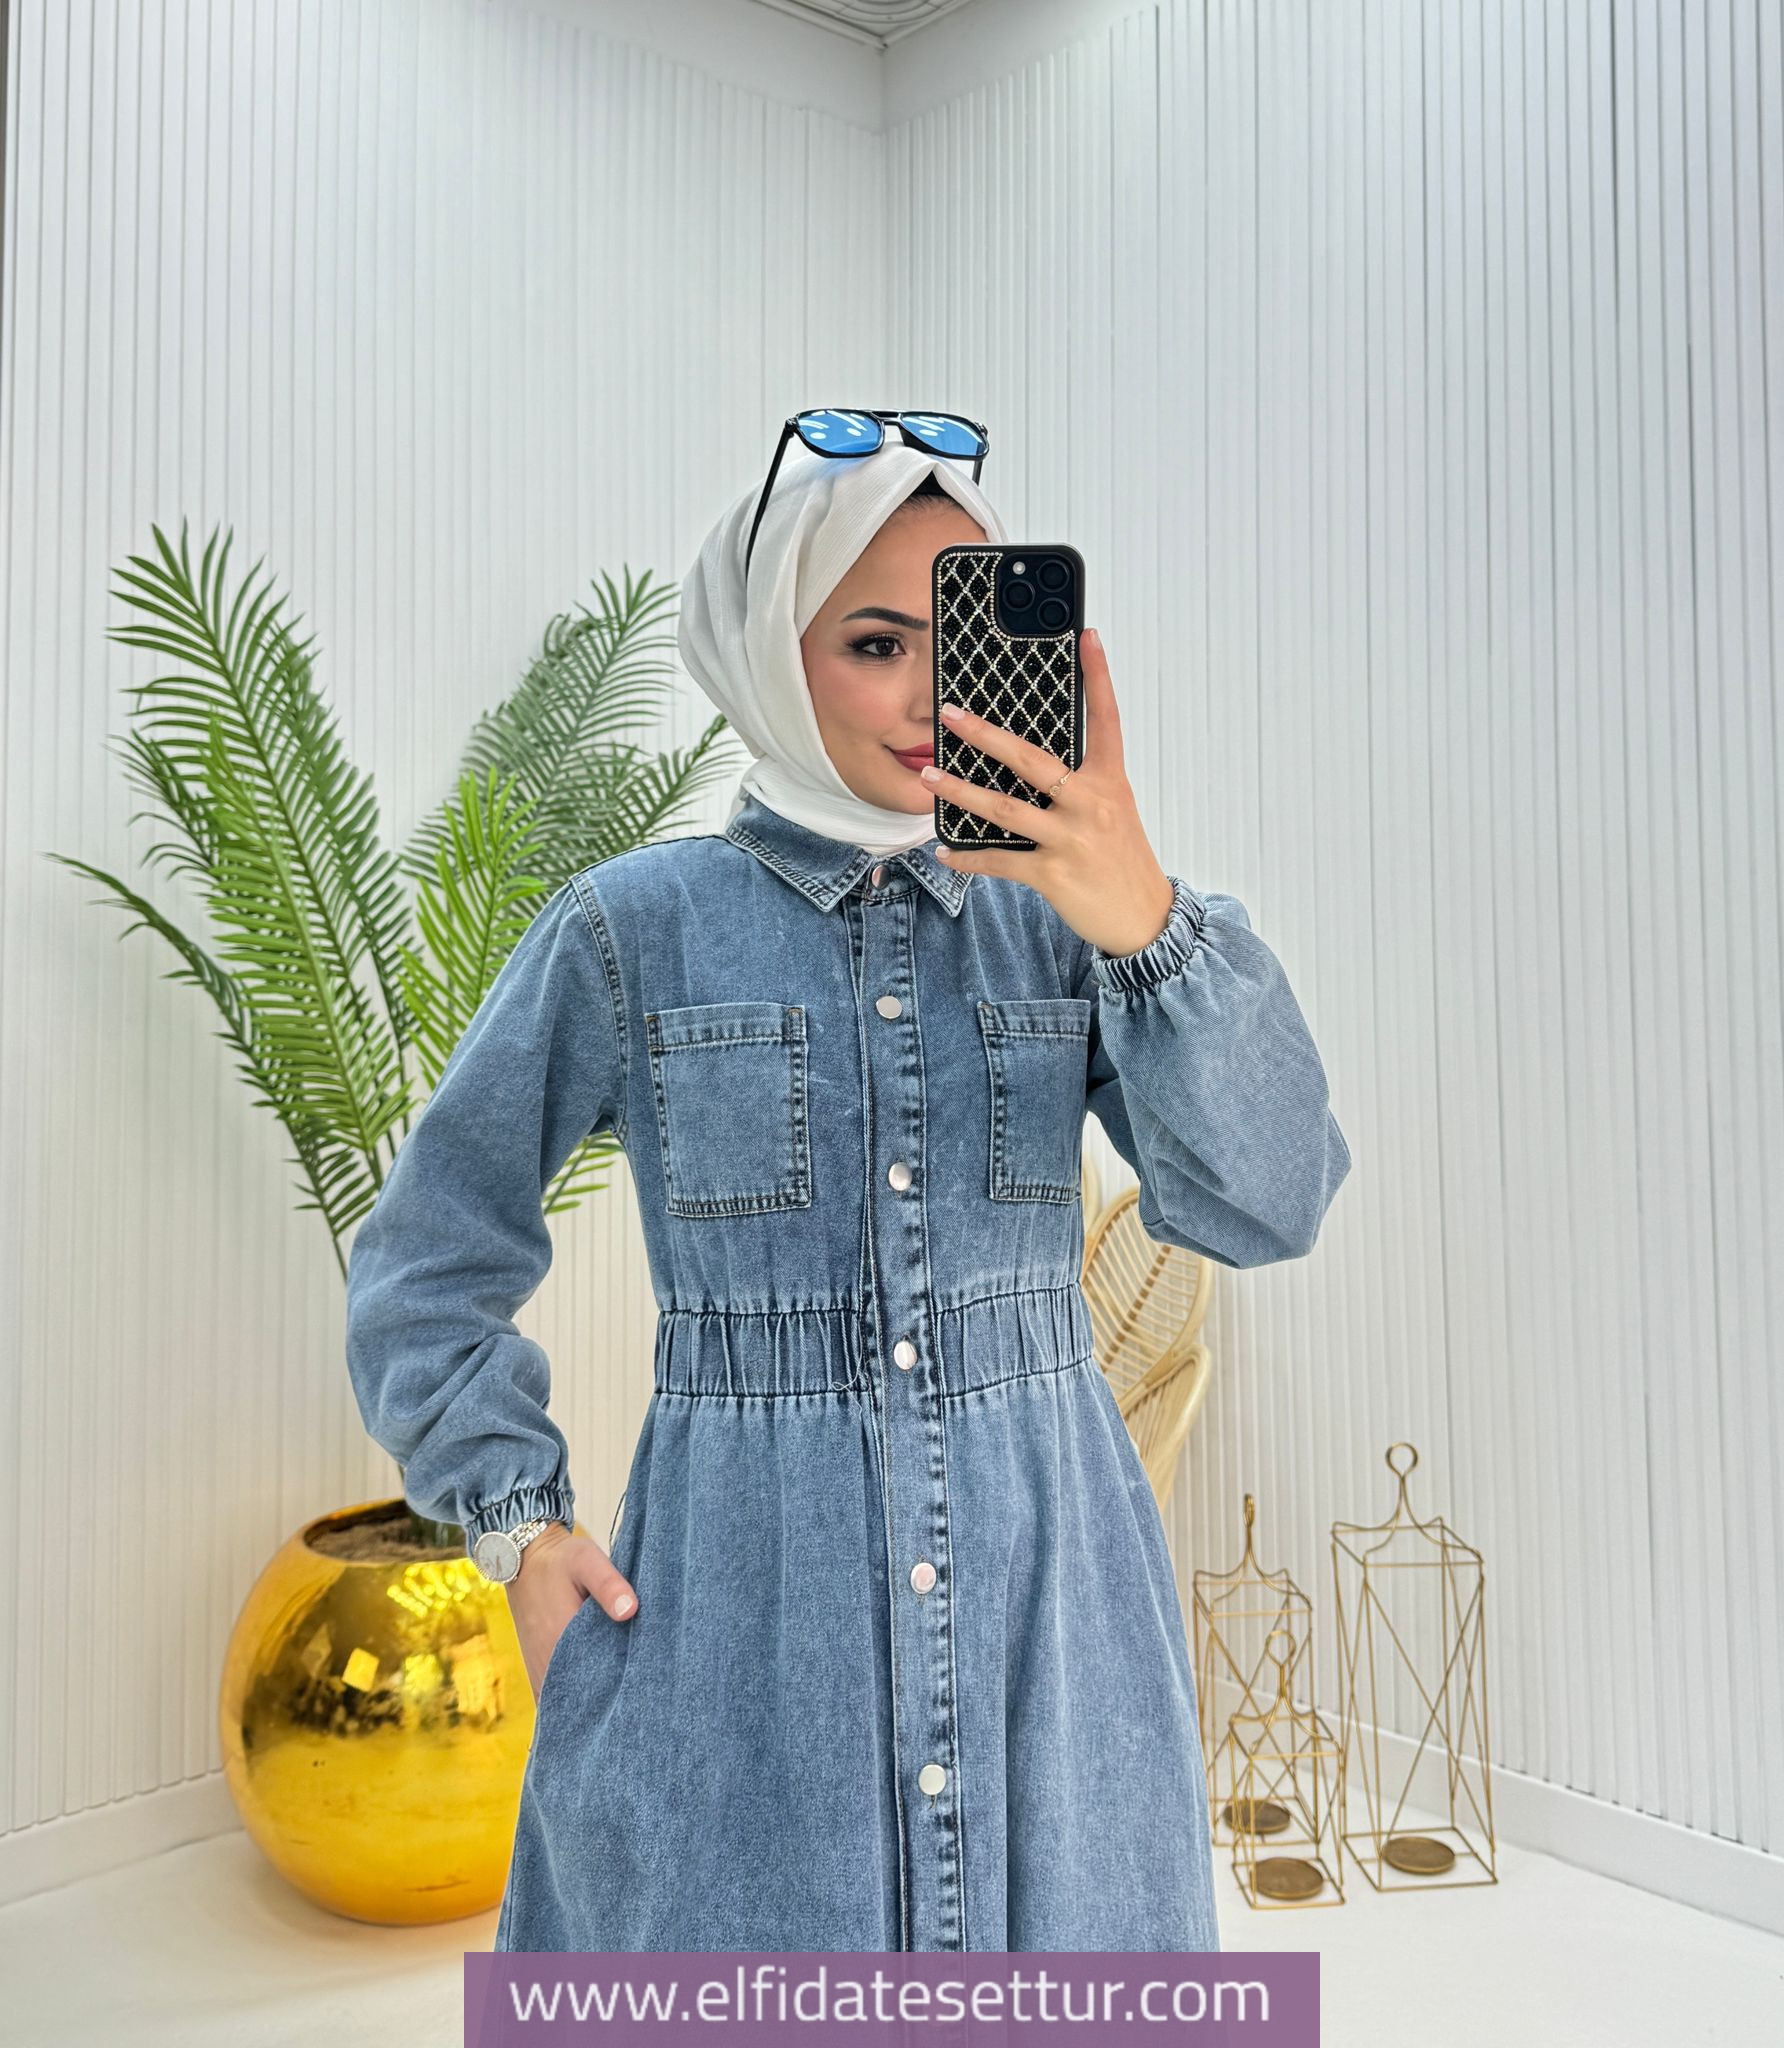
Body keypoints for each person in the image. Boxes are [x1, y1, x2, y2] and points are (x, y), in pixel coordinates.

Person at [344, 439, 1352, 1954]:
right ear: (770, 653)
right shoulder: (630, 931)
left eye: (965, 644)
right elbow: (427, 1256)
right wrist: (519, 1530)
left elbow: (1270, 1202)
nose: (935, 695)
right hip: (742, 1622)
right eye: (877, 645)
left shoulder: (1069, 922)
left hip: (1052, 1607)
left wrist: (1142, 913)